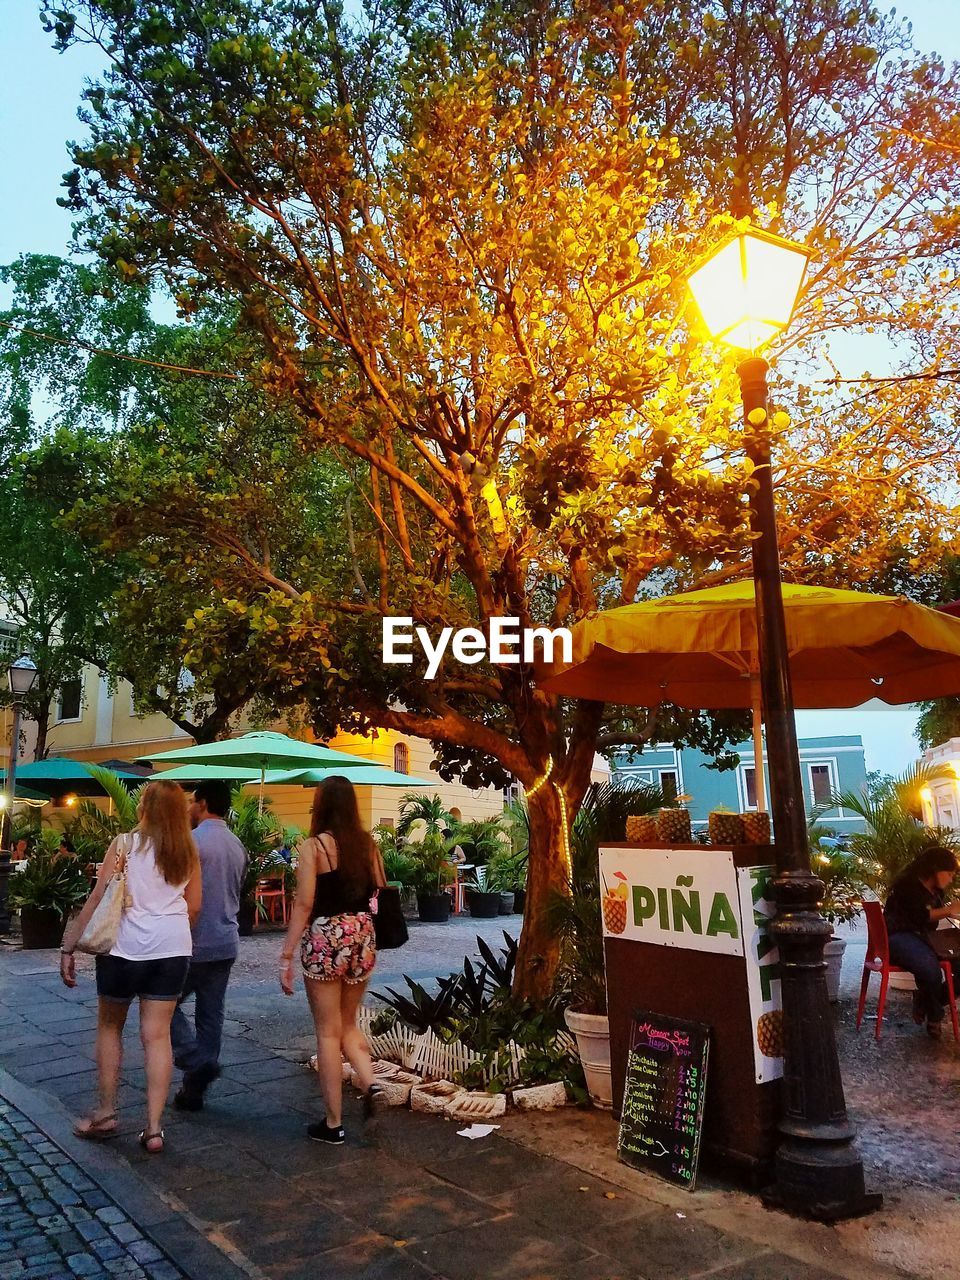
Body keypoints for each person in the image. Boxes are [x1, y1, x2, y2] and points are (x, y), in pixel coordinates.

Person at [59, 781, 201, 1152]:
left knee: (109, 1027)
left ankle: (106, 1113)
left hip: (123, 950)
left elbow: (97, 896)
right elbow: (196, 905)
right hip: (171, 950)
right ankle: (153, 1129)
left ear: (145, 809)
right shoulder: (188, 851)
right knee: (158, 1036)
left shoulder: (125, 844)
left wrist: (69, 945)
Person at [279, 775, 386, 1143]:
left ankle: (333, 1123)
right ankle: (371, 1085)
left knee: (326, 1031)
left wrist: (287, 953)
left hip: (327, 938)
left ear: (322, 806)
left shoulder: (314, 847)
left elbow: (305, 902)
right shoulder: (367, 844)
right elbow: (380, 889)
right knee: (348, 1022)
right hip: (363, 934)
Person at [170, 780, 246, 1112]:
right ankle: (194, 1089)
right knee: (211, 1014)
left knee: (163, 1005)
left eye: (190, 802)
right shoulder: (236, 845)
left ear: (201, 803)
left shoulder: (192, 842)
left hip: (193, 939)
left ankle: (194, 1059)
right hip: (226, 939)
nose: (187, 808)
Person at [884, 845, 960, 1039]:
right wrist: (950, 910)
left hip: (922, 937)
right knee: (929, 969)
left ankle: (925, 1001)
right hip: (898, 936)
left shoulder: (936, 891)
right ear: (936, 869)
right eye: (949, 873)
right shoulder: (907, 885)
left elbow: (929, 919)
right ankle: (935, 1016)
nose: (951, 879)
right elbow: (920, 915)